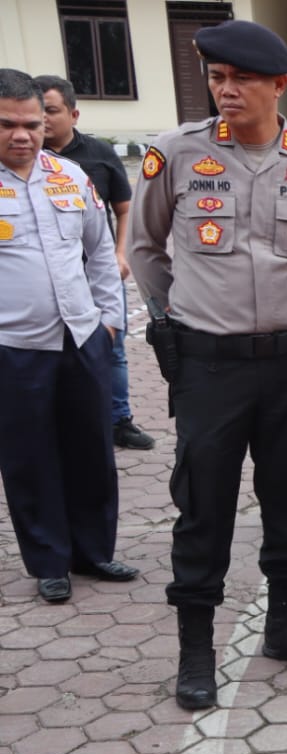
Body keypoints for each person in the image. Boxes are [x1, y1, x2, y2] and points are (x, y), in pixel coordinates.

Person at [128, 20, 287, 710]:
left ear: (277, 85)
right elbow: (144, 248)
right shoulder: (177, 154)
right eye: (217, 78)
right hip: (210, 368)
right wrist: (182, 313)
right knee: (203, 508)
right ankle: (197, 647)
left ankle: (285, 624)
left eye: (240, 79)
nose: (225, 91)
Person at [0, 69, 134, 604]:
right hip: (14, 348)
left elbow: (102, 252)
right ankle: (50, 561)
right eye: (7, 124)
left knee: (91, 450)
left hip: (82, 339)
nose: (21, 135)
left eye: (31, 123)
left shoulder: (70, 177)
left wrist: (109, 321)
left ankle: (94, 552)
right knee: (30, 458)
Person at [35, 73, 153, 451]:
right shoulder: (21, 161)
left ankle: (119, 421)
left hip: (97, 275)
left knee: (111, 351)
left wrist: (120, 254)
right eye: (38, 113)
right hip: (44, 285)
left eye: (50, 111)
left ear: (74, 113)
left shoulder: (98, 155)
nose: (43, 121)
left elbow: (124, 208)